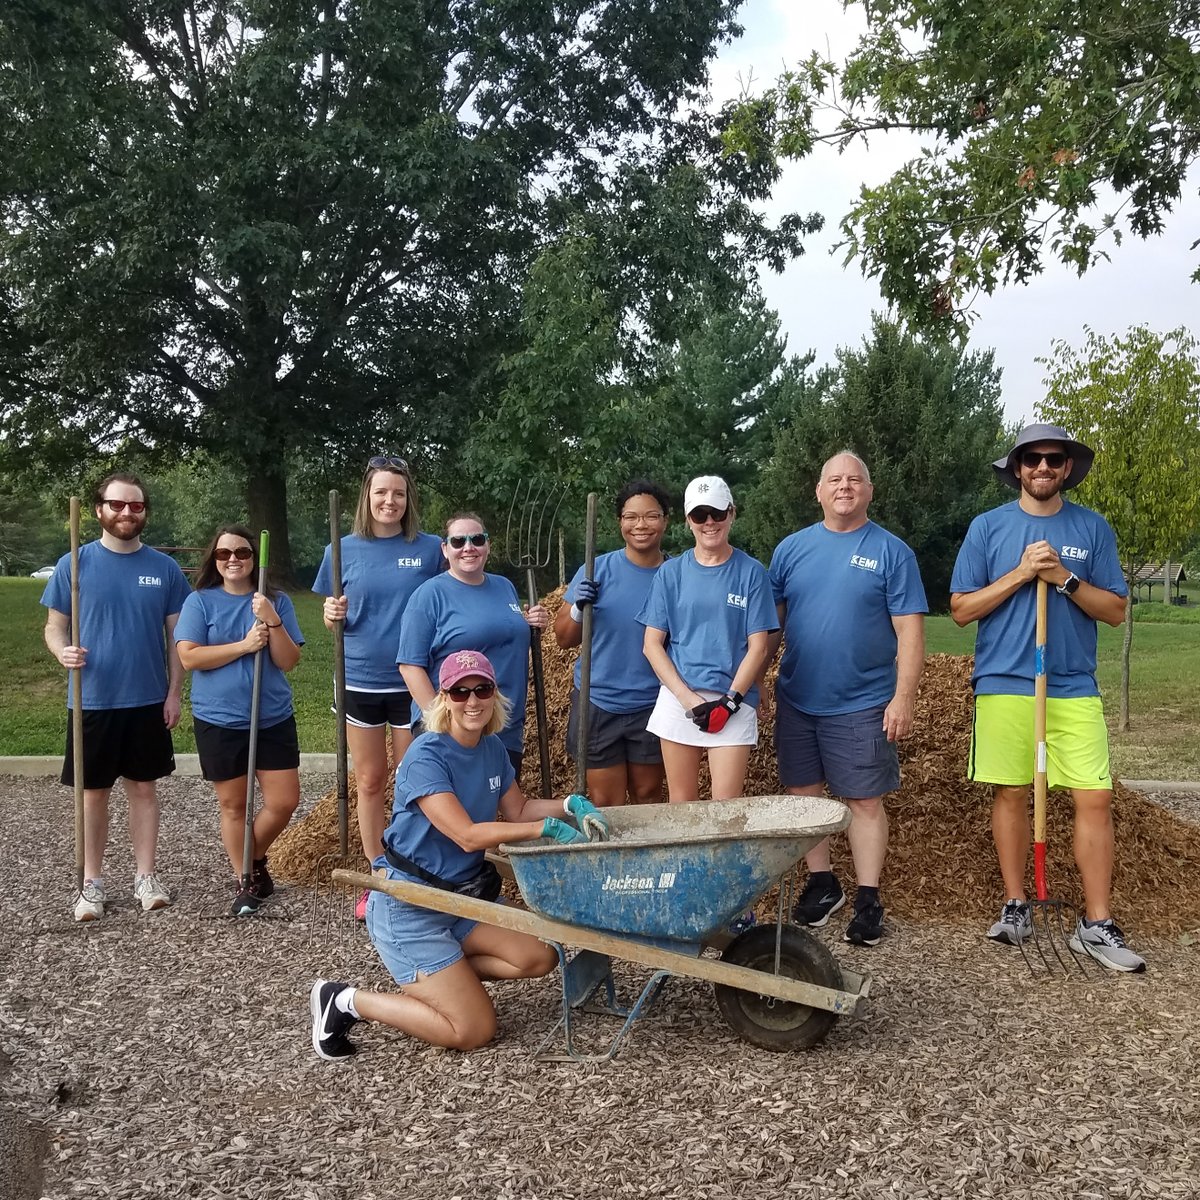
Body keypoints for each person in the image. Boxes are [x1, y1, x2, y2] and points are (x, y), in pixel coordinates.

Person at [309, 650, 604, 1059]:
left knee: (539, 956)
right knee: (474, 1029)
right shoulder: (425, 755)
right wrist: (543, 830)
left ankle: (442, 976)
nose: (472, 701)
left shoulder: (492, 748)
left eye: (481, 689)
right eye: (459, 691)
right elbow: (467, 836)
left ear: (493, 694)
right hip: (411, 904)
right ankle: (344, 1000)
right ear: (443, 698)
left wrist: (569, 805)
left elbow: (517, 809)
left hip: (464, 899)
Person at [950, 423, 1144, 972]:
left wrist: (1062, 577)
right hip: (1006, 681)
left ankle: (1097, 923)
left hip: (1072, 685)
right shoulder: (988, 528)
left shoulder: (1091, 528)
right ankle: (1017, 904)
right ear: (1017, 467)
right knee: (1011, 793)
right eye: (1032, 458)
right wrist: (1020, 573)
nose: (1042, 468)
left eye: (1053, 460)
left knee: (1094, 797)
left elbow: (1115, 610)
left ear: (1066, 469)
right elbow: (962, 610)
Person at [767, 451, 927, 947]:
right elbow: (770, 629)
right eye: (834, 479)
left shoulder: (892, 552)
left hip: (862, 701)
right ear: (818, 491)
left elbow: (910, 631)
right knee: (803, 795)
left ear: (869, 491)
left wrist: (903, 697)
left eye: (854, 479)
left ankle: (867, 896)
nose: (844, 487)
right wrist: (749, 686)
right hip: (798, 697)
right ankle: (823, 883)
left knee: (863, 799)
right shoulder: (790, 550)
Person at [41, 473, 191, 921]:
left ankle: (146, 877)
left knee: (144, 788)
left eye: (136, 506)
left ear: (144, 512)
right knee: (94, 794)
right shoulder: (74, 563)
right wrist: (60, 650)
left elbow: (177, 638)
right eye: (117, 504)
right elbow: (54, 626)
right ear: (99, 509)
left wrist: (174, 692)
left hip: (147, 698)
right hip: (92, 700)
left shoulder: (163, 568)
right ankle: (91, 883)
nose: (127, 512)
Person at [314, 456, 443, 918]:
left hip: (415, 681)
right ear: (366, 498)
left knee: (414, 780)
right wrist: (332, 616)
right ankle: (378, 869)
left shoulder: (430, 549)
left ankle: (414, 863)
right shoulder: (341, 549)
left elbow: (456, 590)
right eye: (381, 492)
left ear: (409, 500)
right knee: (370, 778)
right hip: (361, 679)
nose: (390, 501)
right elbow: (333, 612)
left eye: (399, 493)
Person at [174, 525, 305, 916]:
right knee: (233, 806)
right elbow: (190, 657)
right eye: (224, 553)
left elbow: (288, 661)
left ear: (254, 558)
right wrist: (245, 645)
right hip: (220, 719)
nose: (233, 559)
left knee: (284, 801)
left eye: (243, 553)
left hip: (272, 716)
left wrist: (272, 620)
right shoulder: (200, 602)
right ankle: (245, 879)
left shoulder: (275, 601)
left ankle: (254, 857)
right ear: (214, 560)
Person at [639, 475, 777, 807]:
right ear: (688, 521)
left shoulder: (752, 573)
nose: (710, 522)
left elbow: (758, 646)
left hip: (734, 699)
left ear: (731, 513)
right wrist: (689, 700)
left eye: (717, 513)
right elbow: (652, 645)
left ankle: (722, 862)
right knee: (682, 805)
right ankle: (685, 863)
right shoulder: (671, 574)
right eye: (700, 515)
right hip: (680, 699)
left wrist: (730, 702)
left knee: (725, 807)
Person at [397, 513, 549, 776]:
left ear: (487, 545)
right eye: (458, 541)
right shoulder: (429, 595)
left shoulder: (505, 587)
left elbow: (507, 640)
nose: (468, 547)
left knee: (499, 807)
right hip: (454, 728)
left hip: (503, 723)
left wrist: (533, 622)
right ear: (445, 549)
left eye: (477, 539)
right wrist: (440, 720)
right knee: (458, 813)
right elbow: (410, 666)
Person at [553, 479, 671, 806]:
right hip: (597, 700)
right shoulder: (597, 569)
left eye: (651, 516)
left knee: (648, 795)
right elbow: (563, 638)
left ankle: (647, 859)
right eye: (631, 517)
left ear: (665, 520)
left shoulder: (677, 575)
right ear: (620, 522)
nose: (641, 525)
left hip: (653, 703)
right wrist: (578, 607)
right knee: (606, 801)